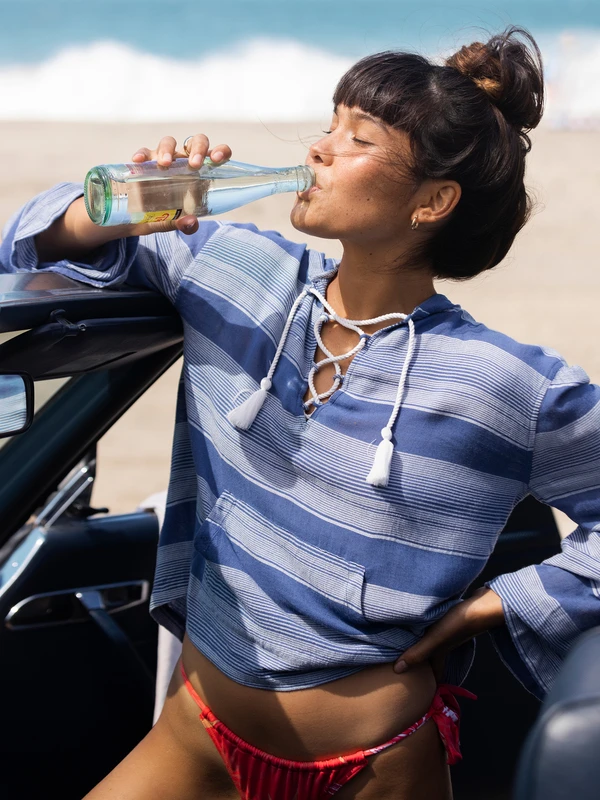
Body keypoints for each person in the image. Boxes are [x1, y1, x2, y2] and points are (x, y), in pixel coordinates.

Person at [2, 25, 599, 800]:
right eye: (329, 125)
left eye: (358, 139)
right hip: (197, 734)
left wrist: (498, 605)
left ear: (433, 201)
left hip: (375, 769)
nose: (318, 149)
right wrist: (122, 202)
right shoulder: (231, 270)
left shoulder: (504, 382)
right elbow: (29, 247)